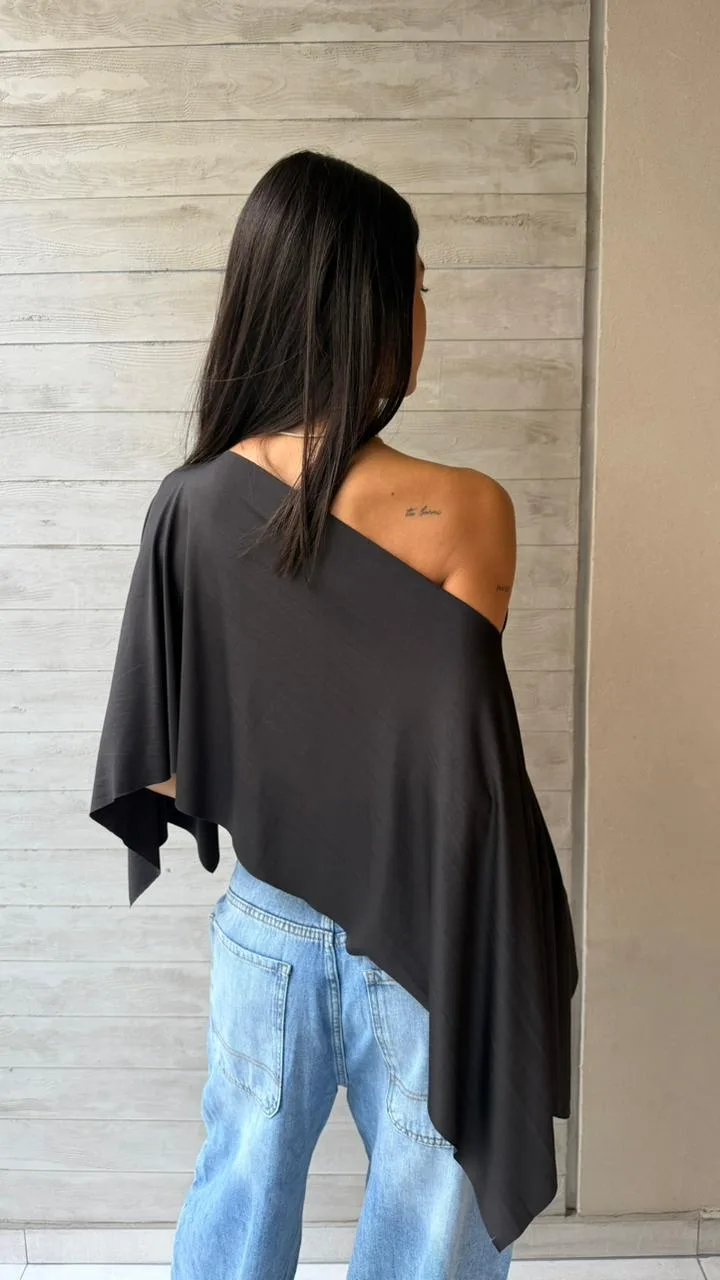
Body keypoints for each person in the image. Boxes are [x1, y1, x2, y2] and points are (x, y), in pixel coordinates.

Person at [90, 151, 577, 1280]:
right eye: (417, 285)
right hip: (442, 936)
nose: (424, 311)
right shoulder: (467, 510)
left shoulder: (188, 508)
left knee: (237, 1200)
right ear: (370, 310)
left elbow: (166, 776)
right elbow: (427, 732)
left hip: (268, 931)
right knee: (428, 1229)